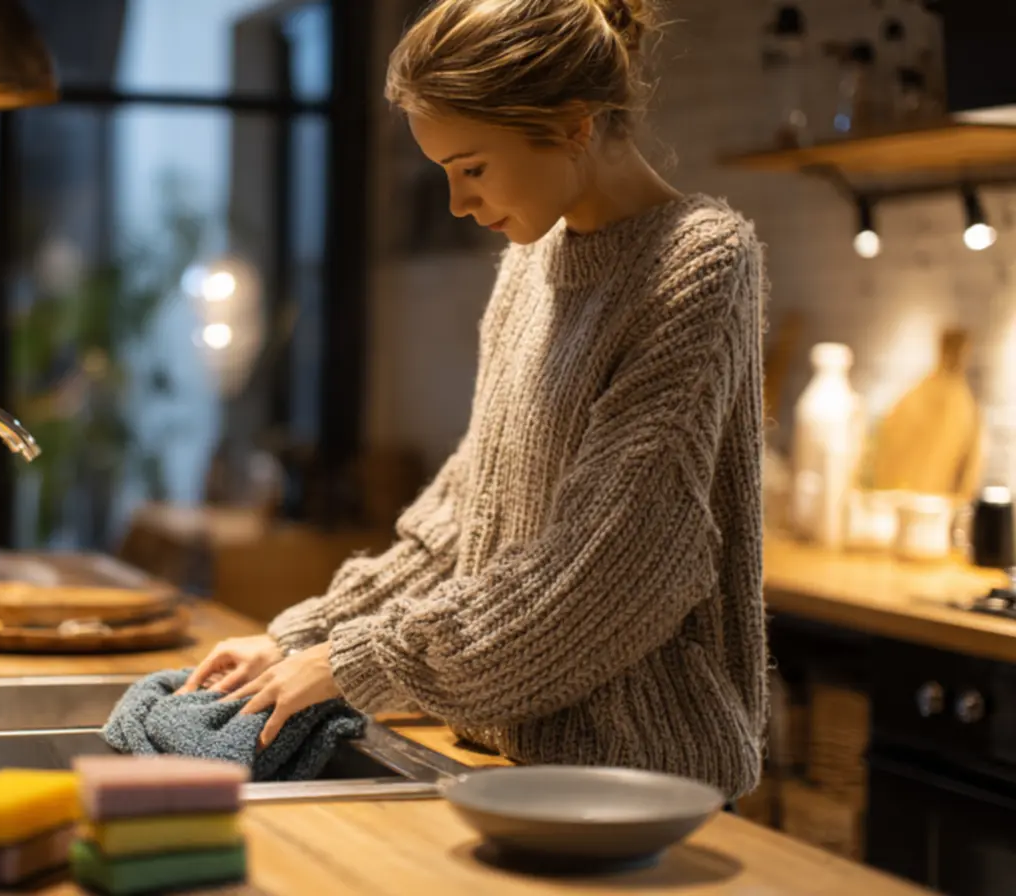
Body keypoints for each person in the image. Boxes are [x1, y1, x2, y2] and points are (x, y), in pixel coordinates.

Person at [177, 0, 769, 800]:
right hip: (508, 758)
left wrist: (357, 662)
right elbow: (467, 517)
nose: (458, 202)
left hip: (642, 780)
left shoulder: (699, 262)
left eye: (473, 167)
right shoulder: (530, 265)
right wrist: (305, 638)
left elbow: (613, 564)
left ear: (571, 126)